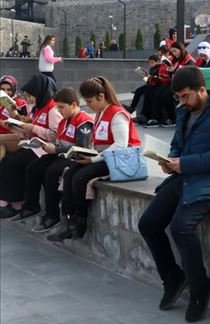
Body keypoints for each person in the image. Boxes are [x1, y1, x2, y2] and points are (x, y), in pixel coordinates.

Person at [136, 67, 210, 322]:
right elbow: (178, 144)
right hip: (186, 177)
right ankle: (173, 277)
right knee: (148, 223)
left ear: (201, 90)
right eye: (179, 98)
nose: (181, 102)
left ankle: (199, 286)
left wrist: (183, 164)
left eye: (185, 96)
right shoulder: (185, 111)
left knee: (181, 227)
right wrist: (169, 159)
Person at [47, 76, 142, 242]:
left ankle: (80, 221)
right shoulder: (101, 113)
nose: (88, 105)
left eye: (89, 101)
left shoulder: (118, 114)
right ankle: (67, 220)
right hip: (104, 157)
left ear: (101, 96)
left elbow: (121, 145)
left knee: (79, 178)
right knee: (69, 174)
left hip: (121, 159)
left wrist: (93, 159)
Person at [22, 87, 94, 232]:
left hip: (75, 158)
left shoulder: (83, 122)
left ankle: (52, 215)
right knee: (34, 167)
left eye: (62, 107)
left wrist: (56, 149)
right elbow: (60, 141)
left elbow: (81, 148)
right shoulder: (64, 121)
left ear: (74, 104)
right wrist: (48, 146)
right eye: (58, 107)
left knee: (52, 172)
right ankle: (31, 206)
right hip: (60, 154)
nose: (59, 111)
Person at [0, 74, 60, 219]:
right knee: (9, 161)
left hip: (44, 148)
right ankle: (13, 201)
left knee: (15, 163)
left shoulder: (52, 109)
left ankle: (17, 202)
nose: (29, 98)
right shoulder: (38, 108)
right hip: (33, 144)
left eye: (31, 95)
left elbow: (55, 134)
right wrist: (15, 127)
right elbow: (30, 130)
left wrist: (32, 127)